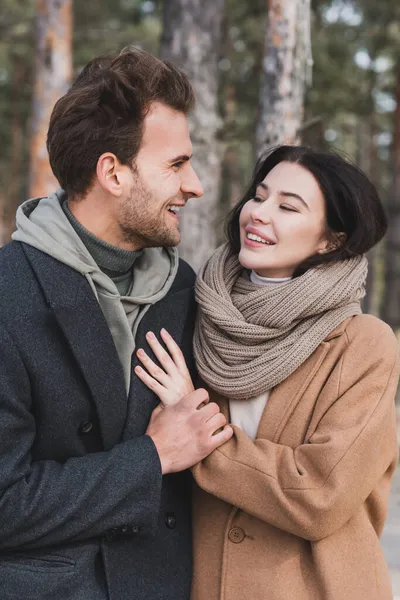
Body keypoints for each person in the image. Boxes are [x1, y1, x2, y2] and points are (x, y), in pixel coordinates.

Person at [0, 47, 232, 600]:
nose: (196, 184)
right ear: (113, 172)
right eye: (176, 165)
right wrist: (150, 458)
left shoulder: (184, 289)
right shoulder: (8, 295)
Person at [135, 145, 400, 600]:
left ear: (330, 240)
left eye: (288, 206)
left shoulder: (363, 345)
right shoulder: (196, 316)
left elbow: (319, 495)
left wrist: (196, 434)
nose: (259, 213)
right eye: (259, 196)